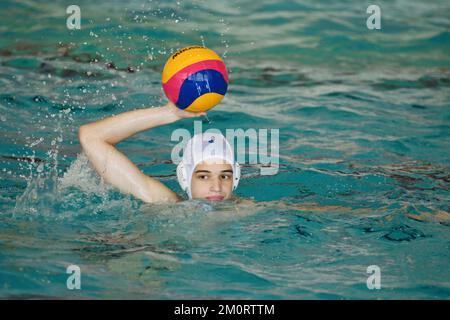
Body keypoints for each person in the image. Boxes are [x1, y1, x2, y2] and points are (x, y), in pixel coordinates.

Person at [78, 101, 240, 203]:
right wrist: (169, 113)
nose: (217, 187)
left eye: (225, 176)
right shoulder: (164, 203)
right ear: (185, 176)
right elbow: (91, 137)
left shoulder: (252, 212)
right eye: (203, 176)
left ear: (236, 177)